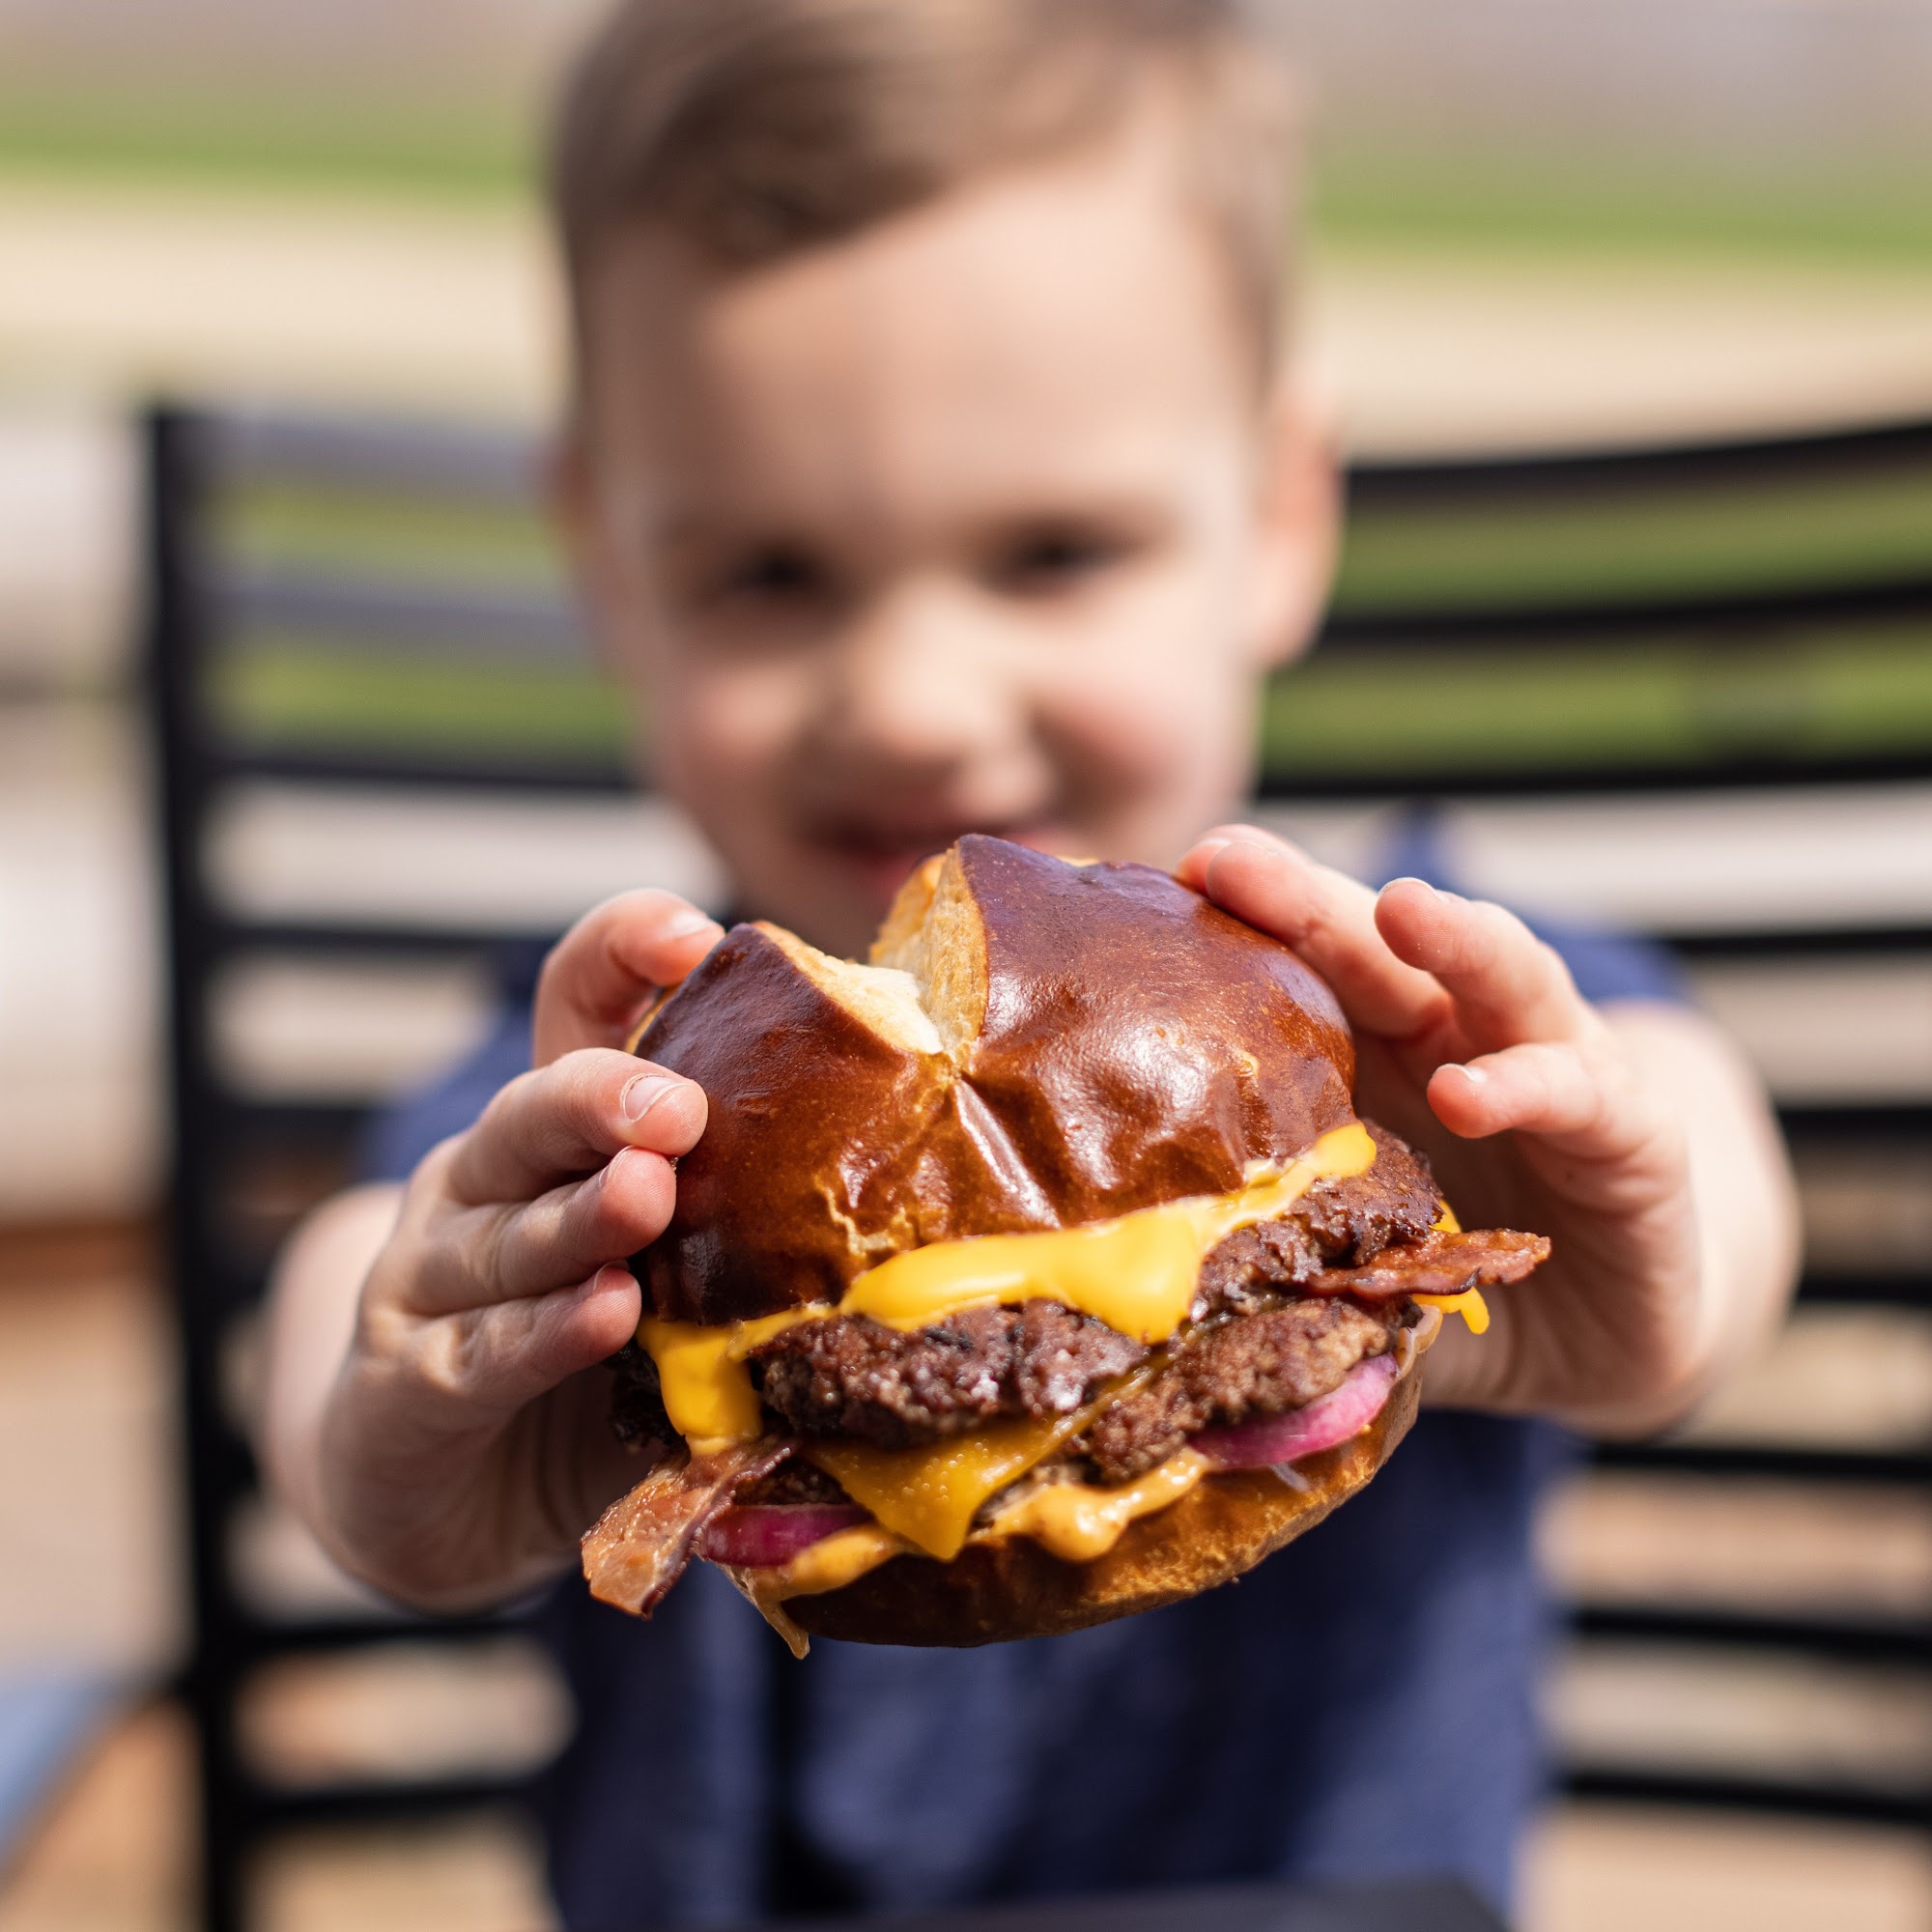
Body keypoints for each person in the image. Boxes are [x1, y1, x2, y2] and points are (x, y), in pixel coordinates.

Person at [261, 2, 1801, 1923]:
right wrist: (399, 1432)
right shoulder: (616, 1066)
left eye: (1053, 553)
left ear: (1277, 516)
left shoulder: (1397, 999)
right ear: (605, 568)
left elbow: (1698, 1126)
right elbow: (345, 1291)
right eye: (766, 576)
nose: (910, 707)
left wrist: (1650, 1259)